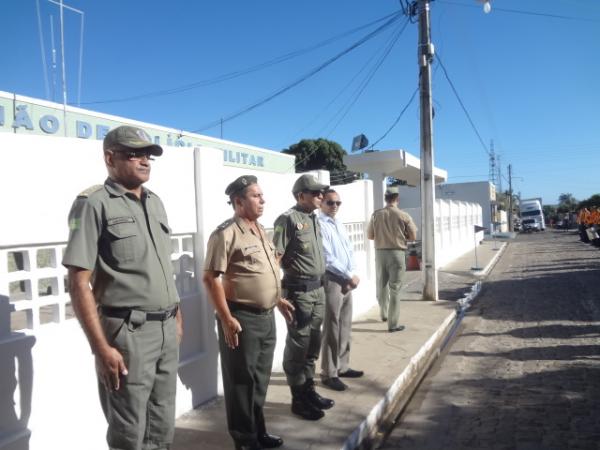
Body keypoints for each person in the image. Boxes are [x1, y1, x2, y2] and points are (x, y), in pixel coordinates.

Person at [62, 125, 183, 450]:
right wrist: (101, 349)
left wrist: (176, 315)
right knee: (129, 433)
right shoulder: (93, 204)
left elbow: (161, 268)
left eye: (148, 155)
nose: (144, 161)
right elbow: (78, 282)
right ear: (110, 158)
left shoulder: (155, 203)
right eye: (134, 154)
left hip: (165, 330)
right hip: (129, 334)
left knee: (162, 424)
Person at [203, 175, 294, 450]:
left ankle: (257, 431)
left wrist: (277, 299)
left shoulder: (261, 230)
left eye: (262, 195)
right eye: (256, 196)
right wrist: (226, 318)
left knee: (259, 380)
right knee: (241, 383)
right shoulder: (226, 233)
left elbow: (263, 271)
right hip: (241, 319)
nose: (262, 200)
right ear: (239, 201)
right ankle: (244, 441)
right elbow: (210, 278)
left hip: (266, 317)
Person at [272, 174, 334, 421]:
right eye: (316, 193)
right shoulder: (287, 220)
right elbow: (274, 259)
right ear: (301, 196)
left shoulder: (314, 219)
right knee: (298, 345)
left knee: (312, 344)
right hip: (298, 292)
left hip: (318, 290)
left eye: (322, 193)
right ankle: (298, 398)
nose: (321, 196)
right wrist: (276, 295)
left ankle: (309, 391)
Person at [318, 189, 363, 392]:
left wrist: (352, 274)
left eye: (337, 203)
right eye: (330, 202)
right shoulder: (319, 225)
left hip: (346, 279)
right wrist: (347, 275)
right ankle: (329, 373)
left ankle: (343, 366)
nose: (334, 206)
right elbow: (327, 257)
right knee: (332, 326)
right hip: (333, 279)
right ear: (321, 203)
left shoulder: (338, 223)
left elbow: (349, 250)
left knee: (345, 324)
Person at [367, 186, 417, 333]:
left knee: (381, 284)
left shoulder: (376, 215)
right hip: (397, 253)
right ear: (397, 198)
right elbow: (413, 236)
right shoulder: (404, 215)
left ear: (385, 198)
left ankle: (383, 314)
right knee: (395, 288)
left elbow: (370, 235)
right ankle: (393, 324)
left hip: (380, 253)